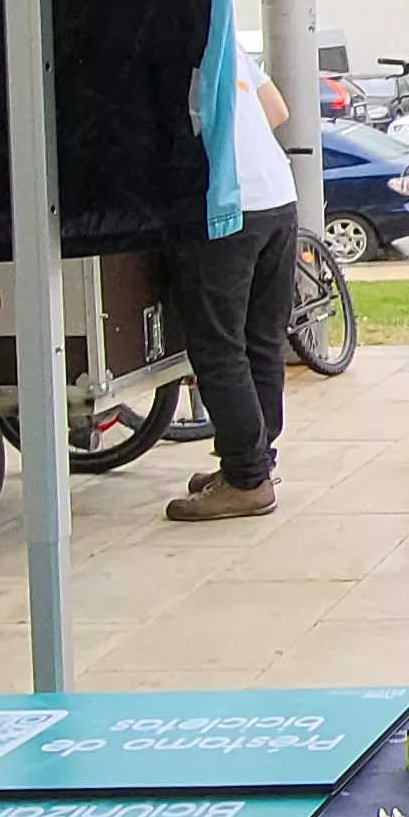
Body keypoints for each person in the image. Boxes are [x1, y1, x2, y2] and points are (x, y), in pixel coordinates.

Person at [163, 48, 301, 521]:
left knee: (218, 346)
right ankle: (256, 461)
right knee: (261, 338)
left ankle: (246, 479)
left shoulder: (165, 43)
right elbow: (276, 110)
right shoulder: (225, 38)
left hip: (227, 204)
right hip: (278, 196)